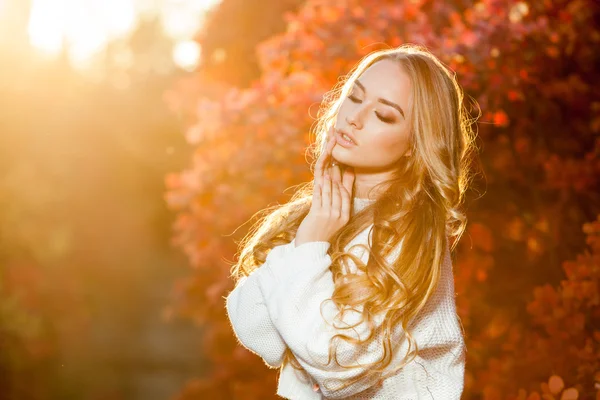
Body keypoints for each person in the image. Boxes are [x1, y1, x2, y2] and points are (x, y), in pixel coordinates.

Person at [225, 43, 478, 399]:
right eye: (355, 97)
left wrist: (311, 243)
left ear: (413, 143)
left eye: (384, 115)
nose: (354, 117)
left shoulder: (410, 235)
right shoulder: (326, 211)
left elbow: (337, 366)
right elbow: (255, 328)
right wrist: (311, 235)